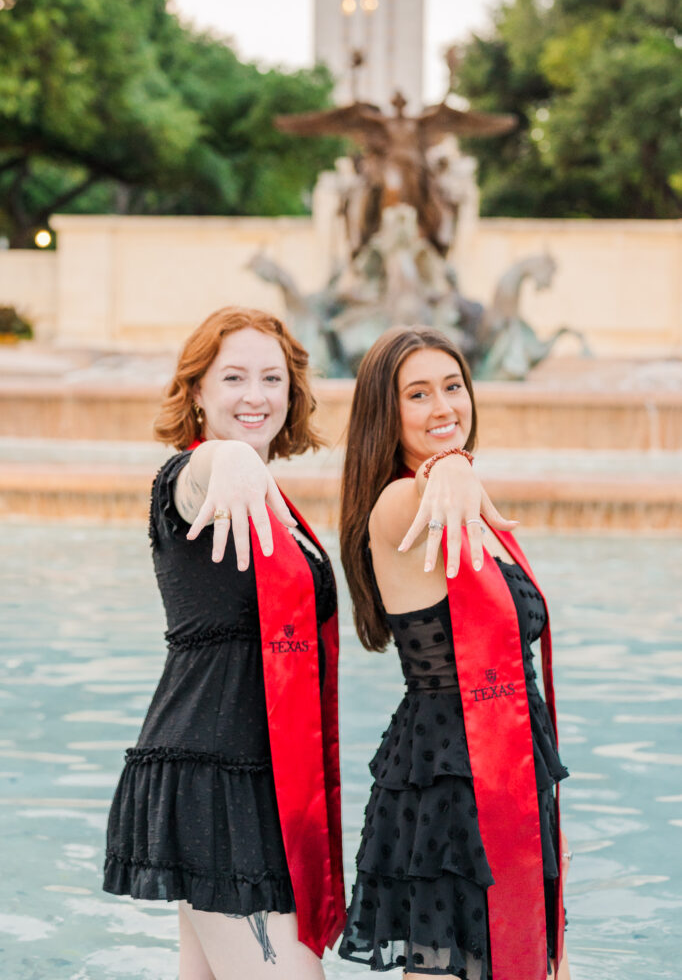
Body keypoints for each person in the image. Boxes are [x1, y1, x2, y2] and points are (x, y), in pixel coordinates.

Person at [103, 307, 347, 980]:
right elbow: (203, 472)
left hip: (264, 782)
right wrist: (229, 454)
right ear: (198, 392)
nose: (255, 395)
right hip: (212, 778)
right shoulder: (187, 483)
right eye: (233, 376)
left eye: (272, 378)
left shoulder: (280, 506)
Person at [337, 325, 570, 980]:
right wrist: (453, 465)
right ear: (388, 415)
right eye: (418, 394)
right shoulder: (399, 505)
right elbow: (429, 488)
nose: (444, 407)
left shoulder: (467, 507)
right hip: (448, 776)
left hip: (518, 762)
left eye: (453, 386)